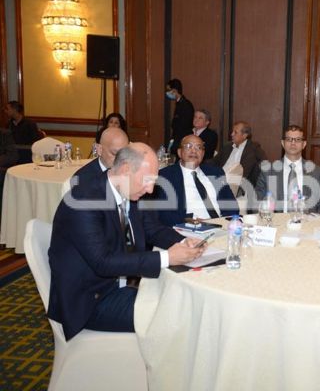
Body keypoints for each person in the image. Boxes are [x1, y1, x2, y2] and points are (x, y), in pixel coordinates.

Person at [48, 143, 205, 341]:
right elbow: (103, 262)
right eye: (147, 181)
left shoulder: (129, 191)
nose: (150, 189)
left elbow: (152, 229)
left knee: (188, 300)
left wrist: (185, 241)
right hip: (92, 299)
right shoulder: (83, 200)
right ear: (125, 170)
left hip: (126, 284)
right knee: (178, 315)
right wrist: (167, 257)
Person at [152, 134, 239, 227]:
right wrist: (190, 221)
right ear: (179, 152)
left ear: (203, 154)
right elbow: (163, 213)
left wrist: (221, 223)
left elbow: (232, 206)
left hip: (221, 226)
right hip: (188, 228)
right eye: (188, 146)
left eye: (199, 147)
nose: (193, 151)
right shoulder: (165, 176)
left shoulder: (216, 173)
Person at [255, 125, 320, 213]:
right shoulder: (268, 171)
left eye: (298, 139)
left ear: (304, 144)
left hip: (307, 220)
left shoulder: (316, 172)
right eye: (289, 139)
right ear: (283, 143)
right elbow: (257, 203)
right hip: (276, 220)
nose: (293, 143)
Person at [210, 121, 267, 189]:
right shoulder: (227, 146)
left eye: (235, 132)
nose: (232, 134)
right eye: (232, 131)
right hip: (219, 178)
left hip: (237, 184)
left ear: (244, 135)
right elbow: (214, 161)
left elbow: (265, 163)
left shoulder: (253, 148)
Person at [166, 78, 194, 154]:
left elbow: (184, 126)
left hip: (182, 139)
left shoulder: (185, 105)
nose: (167, 93)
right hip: (177, 137)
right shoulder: (179, 103)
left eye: (169, 90)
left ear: (175, 91)